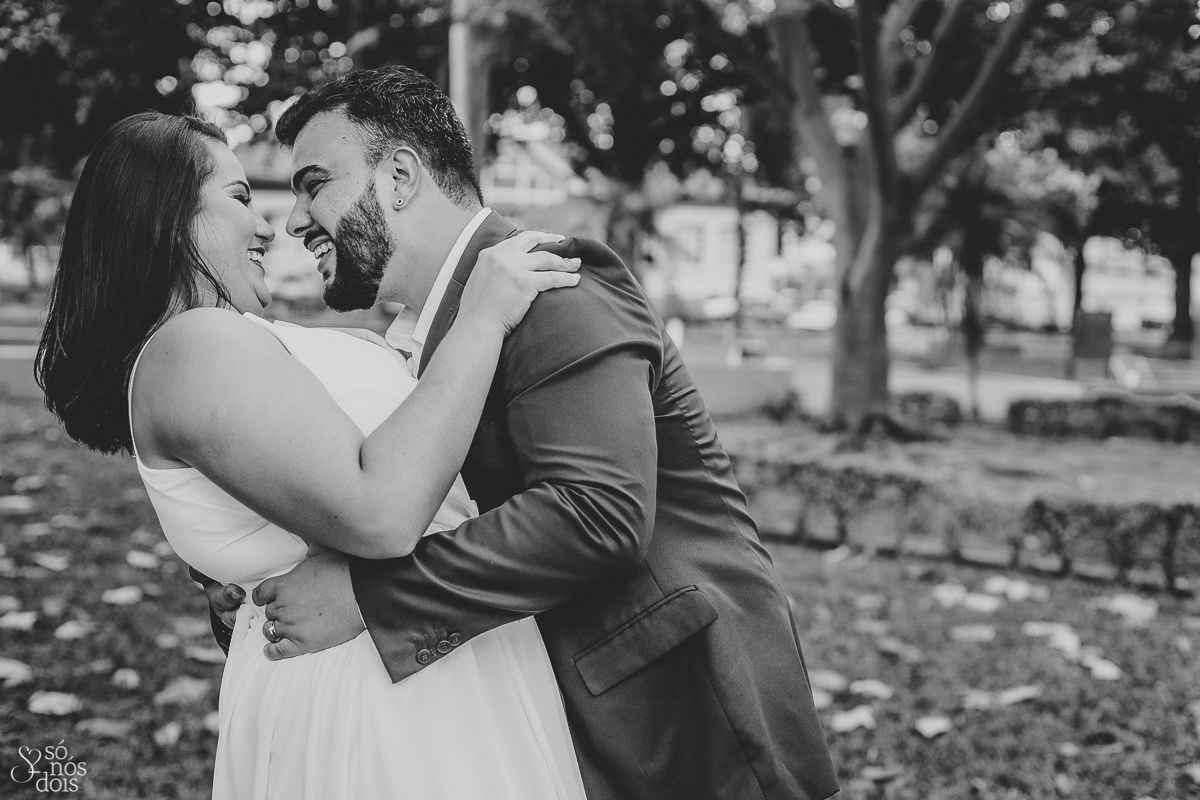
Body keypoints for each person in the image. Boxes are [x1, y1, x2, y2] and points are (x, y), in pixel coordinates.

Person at [201, 65, 839, 800]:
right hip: (543, 717)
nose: (293, 220)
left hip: (679, 719)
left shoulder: (553, 285)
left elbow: (597, 514)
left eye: (314, 185)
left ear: (400, 176)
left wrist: (368, 599)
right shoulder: (426, 331)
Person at [35, 111, 587, 799]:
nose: (270, 227)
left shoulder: (229, 341)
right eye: (239, 197)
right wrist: (483, 316)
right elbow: (382, 514)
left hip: (428, 663)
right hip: (382, 708)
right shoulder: (193, 345)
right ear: (168, 218)